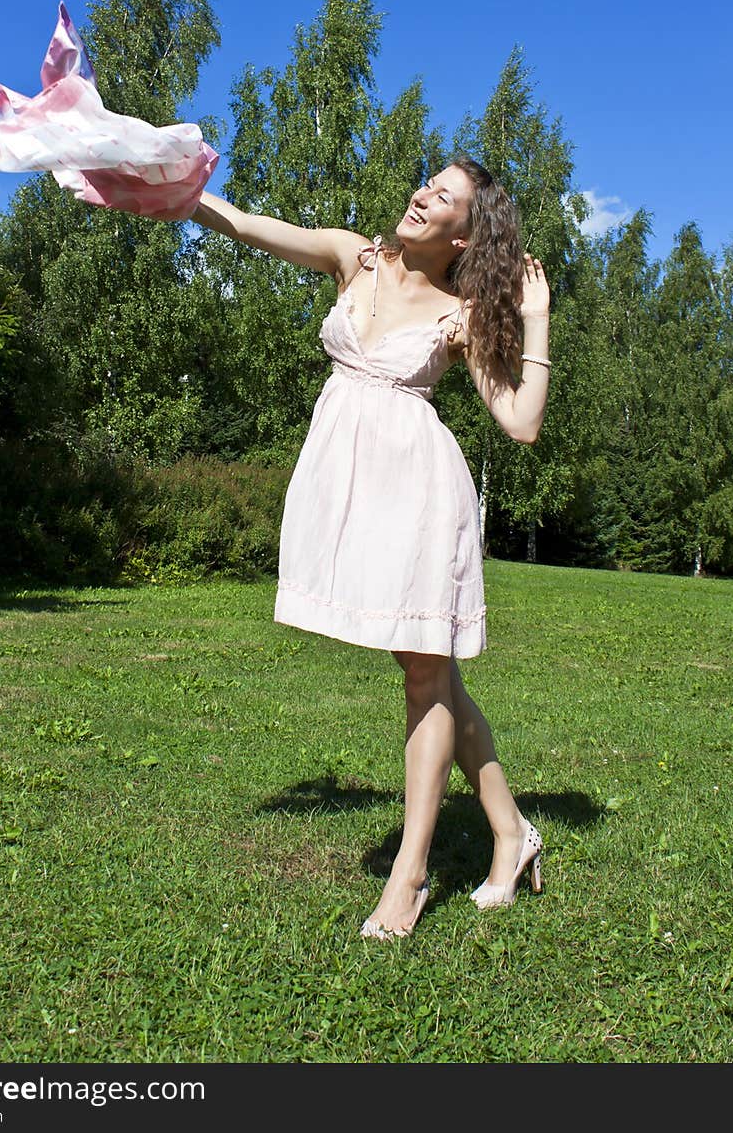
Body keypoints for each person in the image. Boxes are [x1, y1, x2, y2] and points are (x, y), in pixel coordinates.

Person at [191, 155, 551, 938]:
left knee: (426, 675)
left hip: (419, 495)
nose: (421, 196)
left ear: (464, 234)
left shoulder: (460, 314)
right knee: (432, 673)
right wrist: (172, 189)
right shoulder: (352, 256)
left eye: (443, 198)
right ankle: (512, 833)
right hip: (349, 487)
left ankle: (411, 874)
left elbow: (522, 423)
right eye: (426, 184)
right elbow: (247, 225)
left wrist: (534, 315)